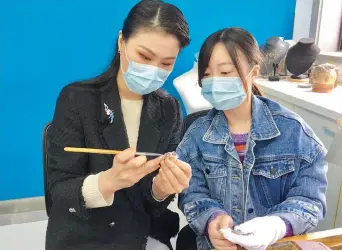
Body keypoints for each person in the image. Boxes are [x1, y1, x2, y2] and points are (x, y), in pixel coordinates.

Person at [45, 0, 192, 249]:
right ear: (122, 42)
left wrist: (161, 189)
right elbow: (58, 195)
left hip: (142, 234)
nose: (153, 70)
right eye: (144, 56)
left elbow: (154, 205)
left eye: (166, 63)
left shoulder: (169, 110)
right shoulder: (77, 99)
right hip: (85, 235)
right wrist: (108, 181)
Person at [176, 28, 327, 250]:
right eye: (207, 75)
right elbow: (191, 193)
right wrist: (211, 219)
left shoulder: (293, 132)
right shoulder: (196, 135)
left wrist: (275, 226)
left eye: (226, 72)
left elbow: (310, 200)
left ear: (253, 72)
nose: (215, 81)